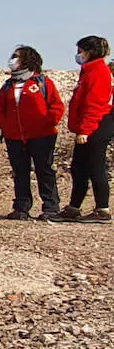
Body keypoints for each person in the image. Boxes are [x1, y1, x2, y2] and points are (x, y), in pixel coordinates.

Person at [0, 46, 65, 221]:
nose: (13, 60)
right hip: (15, 137)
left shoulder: (42, 82)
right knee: (20, 172)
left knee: (44, 170)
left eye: (16, 57)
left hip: (42, 136)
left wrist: (47, 122)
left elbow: (56, 106)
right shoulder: (8, 85)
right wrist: (5, 126)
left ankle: (50, 207)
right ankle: (21, 207)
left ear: (27, 60)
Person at [56, 36, 112, 223]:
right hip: (87, 126)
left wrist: (86, 130)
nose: (78, 55)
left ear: (90, 52)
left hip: (98, 124)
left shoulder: (99, 72)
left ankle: (102, 210)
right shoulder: (87, 72)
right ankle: (74, 207)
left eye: (81, 51)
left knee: (96, 167)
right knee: (78, 168)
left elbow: (95, 104)